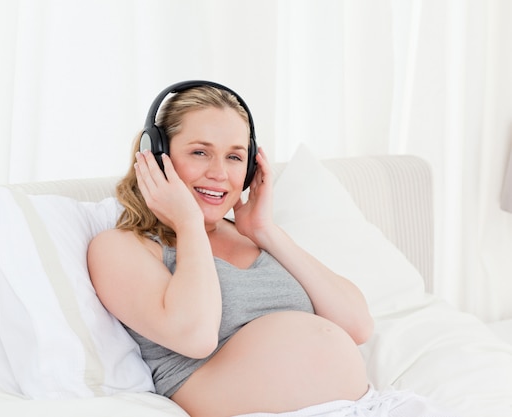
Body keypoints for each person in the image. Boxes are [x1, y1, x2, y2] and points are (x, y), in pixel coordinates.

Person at [87, 81, 455, 417]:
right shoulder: (121, 247)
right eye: (200, 152)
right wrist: (188, 225)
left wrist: (265, 231)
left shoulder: (252, 236)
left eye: (234, 157)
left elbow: (357, 325)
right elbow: (196, 336)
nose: (220, 173)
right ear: (155, 155)